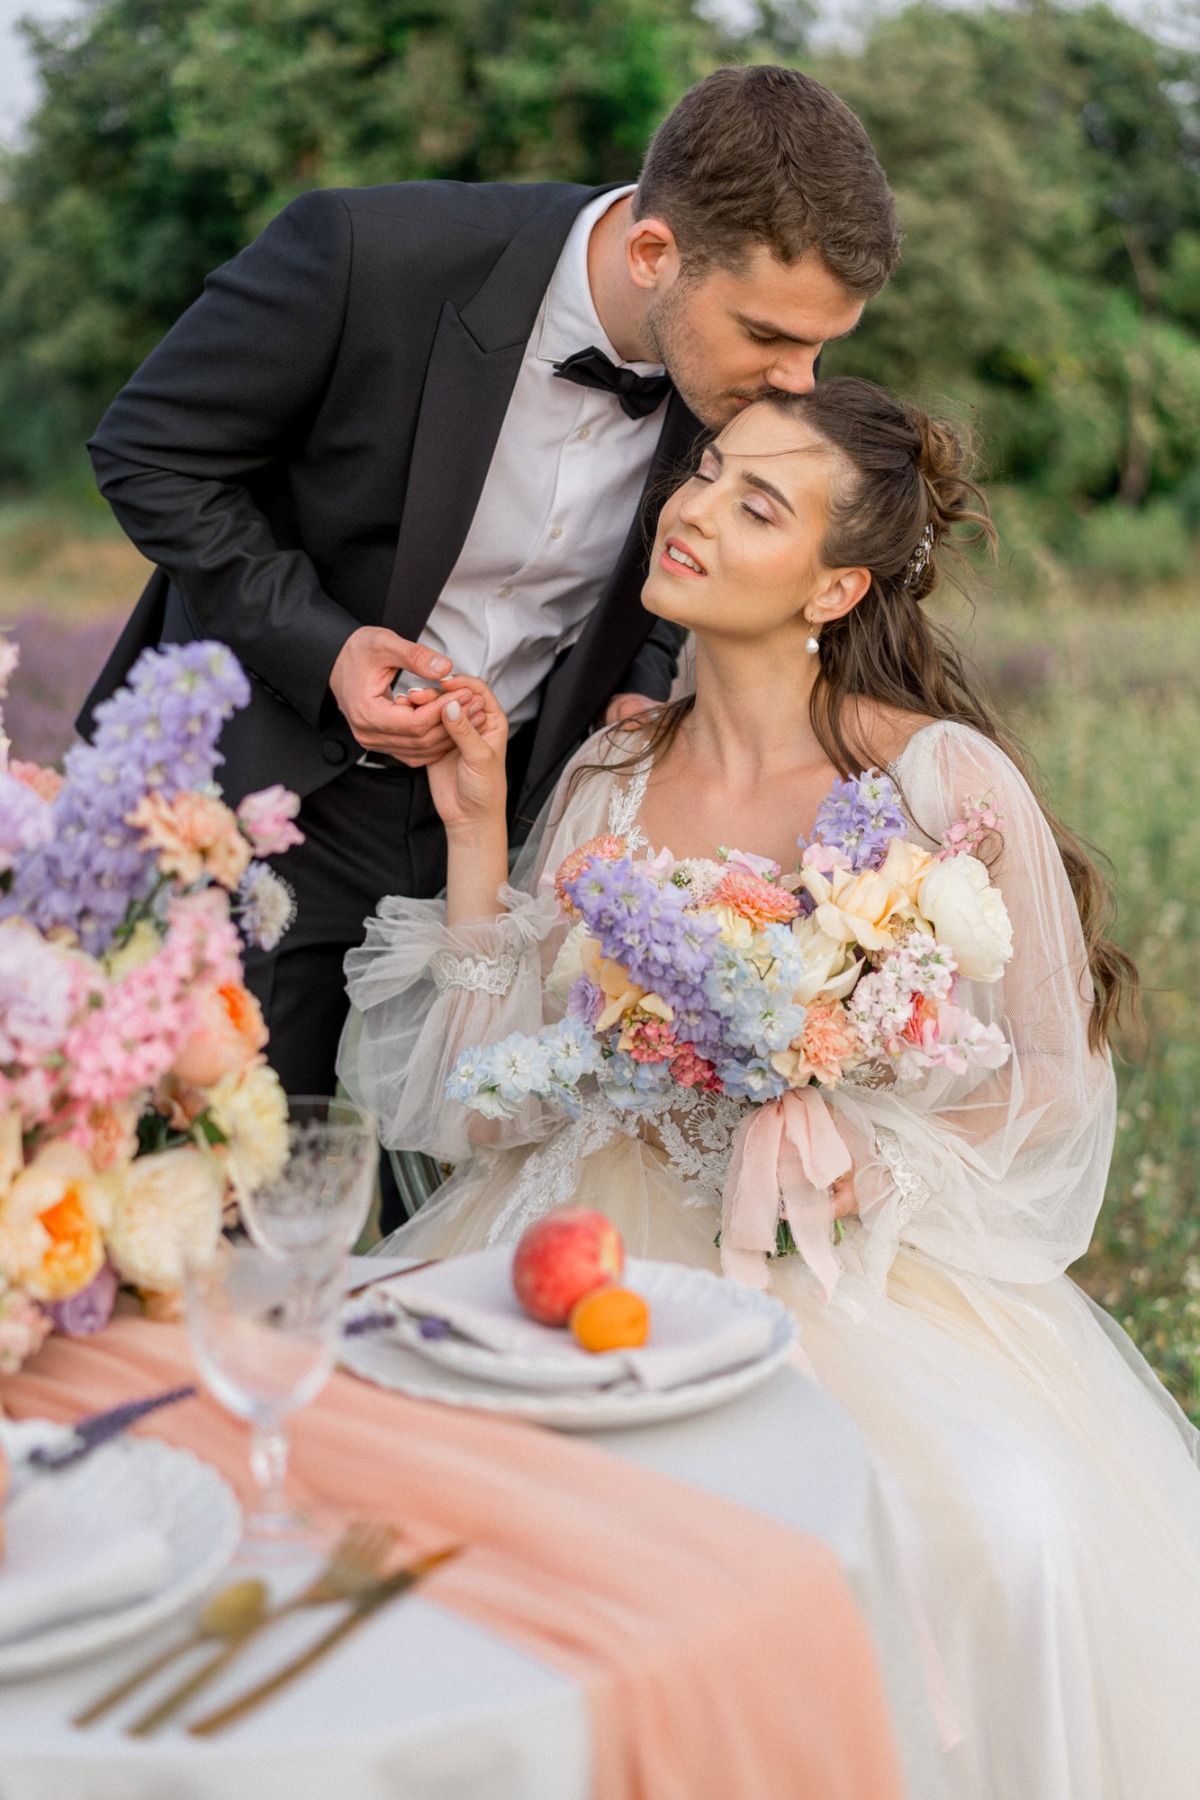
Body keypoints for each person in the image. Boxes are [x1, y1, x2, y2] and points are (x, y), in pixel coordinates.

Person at [338, 376, 1200, 1798]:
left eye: (758, 504)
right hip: (591, 1240)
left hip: (851, 1267)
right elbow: (484, 1104)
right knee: (438, 1501)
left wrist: (859, 1141)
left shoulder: (935, 781)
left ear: (835, 582)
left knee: (1000, 1522)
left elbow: (1053, 1080)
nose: (692, 511)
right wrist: (481, 831)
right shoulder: (617, 766)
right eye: (709, 474)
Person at [77, 66, 898, 1185]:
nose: (798, 384)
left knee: (473, 1232)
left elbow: (663, 571)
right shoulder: (365, 255)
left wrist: (640, 677)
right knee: (232, 1195)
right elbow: (151, 450)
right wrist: (326, 649)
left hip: (506, 844)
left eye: (822, 345)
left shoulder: (727, 389)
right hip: (271, 807)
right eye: (769, 336)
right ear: (654, 254)